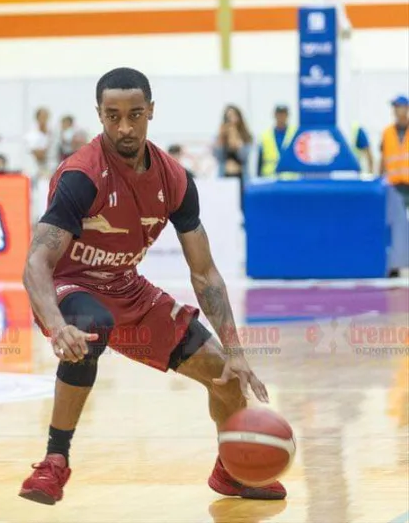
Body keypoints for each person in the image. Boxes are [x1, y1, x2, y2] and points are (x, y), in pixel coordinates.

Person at [18, 67, 286, 505]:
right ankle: (54, 461)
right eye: (112, 115)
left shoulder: (174, 179)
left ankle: (233, 471)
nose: (124, 126)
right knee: (90, 324)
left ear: (151, 113)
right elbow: (36, 262)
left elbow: (205, 273)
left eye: (135, 115)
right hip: (70, 287)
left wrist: (236, 348)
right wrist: (53, 322)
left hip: (129, 289)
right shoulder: (82, 176)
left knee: (224, 375)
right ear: (99, 115)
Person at [380, 95, 409, 208]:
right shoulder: (387, 133)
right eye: (395, 107)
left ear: (406, 108)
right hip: (393, 186)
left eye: (398, 107)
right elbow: (383, 159)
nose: (396, 110)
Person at [257, 105, 296, 177]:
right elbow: (260, 160)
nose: (281, 116)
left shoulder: (295, 134)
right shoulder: (266, 136)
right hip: (270, 177)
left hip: (290, 177)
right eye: (279, 114)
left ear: (287, 115)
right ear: (274, 115)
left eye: (283, 114)